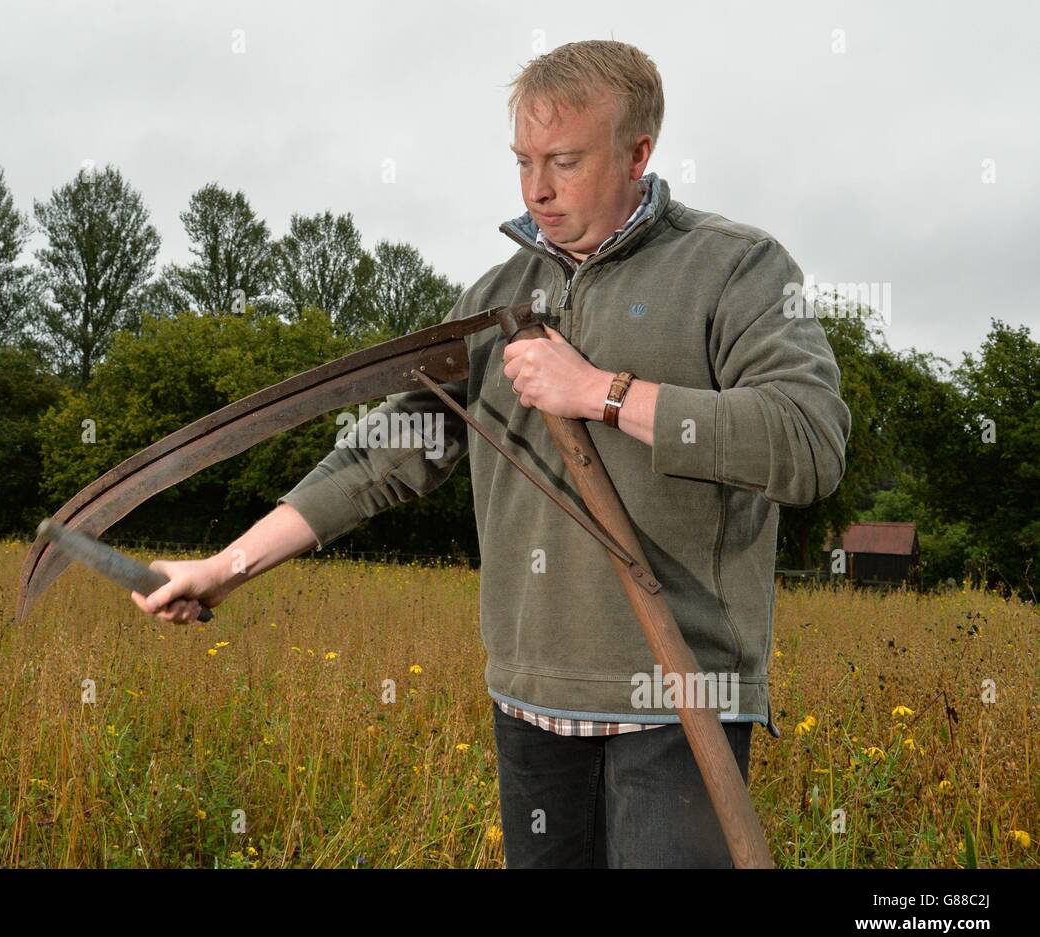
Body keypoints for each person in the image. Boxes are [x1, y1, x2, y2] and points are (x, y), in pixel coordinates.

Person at [131, 39, 851, 868]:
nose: (537, 189)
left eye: (566, 161)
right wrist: (226, 567)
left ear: (638, 152)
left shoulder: (737, 270)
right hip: (530, 701)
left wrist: (601, 394)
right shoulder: (494, 298)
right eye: (523, 161)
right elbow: (383, 457)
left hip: (681, 696)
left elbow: (807, 442)